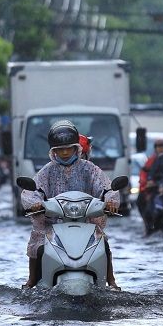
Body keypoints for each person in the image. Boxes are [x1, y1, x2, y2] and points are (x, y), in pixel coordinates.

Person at [20, 120, 120, 289]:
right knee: (38, 246)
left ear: (77, 148)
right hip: (53, 224)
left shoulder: (90, 169)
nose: (65, 152)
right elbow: (34, 191)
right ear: (53, 151)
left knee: (104, 244)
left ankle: (111, 281)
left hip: (86, 221)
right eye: (60, 149)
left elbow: (105, 187)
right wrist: (36, 203)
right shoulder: (47, 171)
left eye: (68, 148)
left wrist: (110, 201)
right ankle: (31, 281)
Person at [137, 138, 163, 235]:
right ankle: (148, 227)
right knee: (141, 202)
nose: (160, 149)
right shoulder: (152, 159)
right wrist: (144, 183)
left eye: (162, 147)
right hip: (152, 187)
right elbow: (144, 172)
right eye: (158, 147)